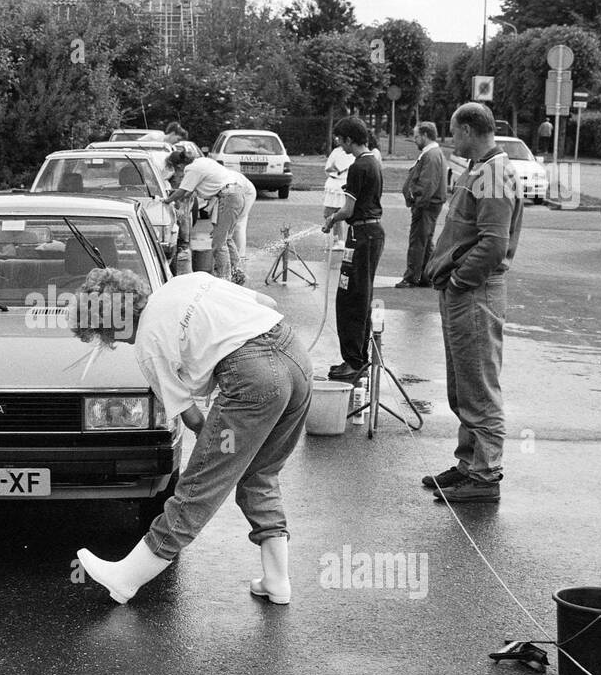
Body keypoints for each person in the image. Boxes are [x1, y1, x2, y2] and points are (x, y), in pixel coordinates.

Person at [72, 268, 312, 605]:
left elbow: (190, 414)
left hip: (253, 381)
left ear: (112, 322)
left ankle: (126, 578)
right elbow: (267, 301)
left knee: (198, 488)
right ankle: (277, 581)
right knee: (260, 472)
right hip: (294, 357)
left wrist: (215, 447)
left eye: (105, 334)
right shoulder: (184, 283)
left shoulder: (147, 345)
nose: (113, 342)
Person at [422, 102, 523, 504]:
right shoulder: (478, 169)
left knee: (479, 385)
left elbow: (494, 244)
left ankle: (485, 476)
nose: (450, 139)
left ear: (467, 130)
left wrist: (461, 281)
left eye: (453, 131)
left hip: (475, 293)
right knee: (463, 383)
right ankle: (468, 463)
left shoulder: (496, 174)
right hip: (460, 291)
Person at [322, 116, 384, 382]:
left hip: (362, 234)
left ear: (349, 139)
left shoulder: (359, 166)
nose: (338, 143)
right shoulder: (374, 161)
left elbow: (347, 209)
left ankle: (355, 361)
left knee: (351, 298)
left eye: (340, 138)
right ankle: (357, 357)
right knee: (359, 295)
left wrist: (331, 219)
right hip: (369, 233)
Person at [164, 149, 254, 282]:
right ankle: (237, 273)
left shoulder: (192, 169)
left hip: (229, 196)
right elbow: (188, 193)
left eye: (175, 170)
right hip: (236, 194)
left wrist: (165, 201)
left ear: (179, 166)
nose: (176, 174)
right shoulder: (201, 162)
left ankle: (225, 278)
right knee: (227, 238)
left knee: (219, 242)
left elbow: (183, 191)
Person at [397, 122, 447, 288]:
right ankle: (426, 276)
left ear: (425, 135)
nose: (414, 139)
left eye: (416, 136)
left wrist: (417, 202)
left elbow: (427, 184)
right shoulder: (432, 153)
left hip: (425, 205)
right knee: (425, 240)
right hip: (430, 204)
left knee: (418, 240)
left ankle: (412, 277)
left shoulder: (431, 155)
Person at [322, 135, 355, 245]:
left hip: (342, 183)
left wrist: (337, 168)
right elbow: (328, 168)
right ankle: (334, 238)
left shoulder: (350, 153)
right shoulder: (336, 151)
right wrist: (334, 168)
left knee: (339, 212)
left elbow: (343, 167)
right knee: (328, 212)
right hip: (332, 183)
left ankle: (339, 240)